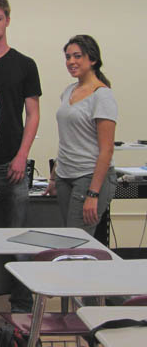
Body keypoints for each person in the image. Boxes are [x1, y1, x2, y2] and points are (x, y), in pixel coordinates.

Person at [0, 0, 41, 314]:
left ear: (7, 21)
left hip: (14, 163)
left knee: (20, 239)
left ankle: (22, 307)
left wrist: (21, 155)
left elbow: (33, 114)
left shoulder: (25, 64)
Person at [46, 35, 117, 234]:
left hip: (89, 177)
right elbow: (67, 140)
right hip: (65, 176)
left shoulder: (102, 95)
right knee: (70, 237)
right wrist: (53, 177)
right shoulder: (69, 91)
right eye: (68, 57)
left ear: (92, 59)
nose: (71, 62)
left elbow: (107, 150)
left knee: (77, 245)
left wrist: (93, 194)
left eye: (77, 56)